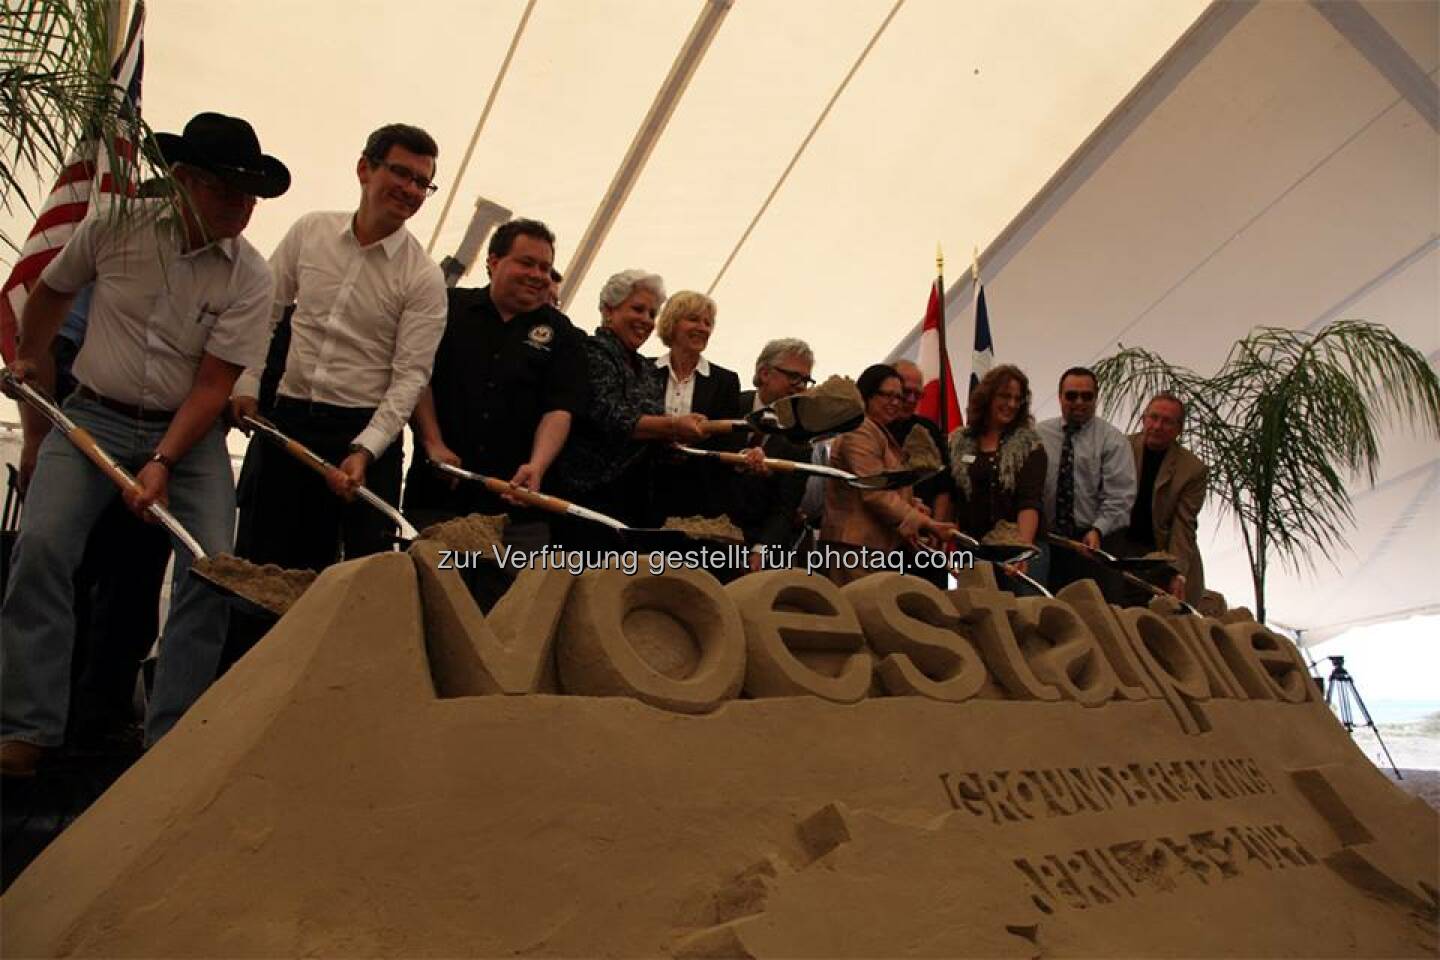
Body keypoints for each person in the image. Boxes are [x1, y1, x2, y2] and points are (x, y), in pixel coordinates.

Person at [1, 112, 287, 774]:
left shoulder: (250, 275)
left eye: (251, 195)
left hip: (185, 432)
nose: (242, 208)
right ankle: (27, 726)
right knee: (41, 548)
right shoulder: (114, 227)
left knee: (213, 565)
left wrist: (163, 461)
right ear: (183, 180)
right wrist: (32, 357)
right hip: (92, 416)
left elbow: (215, 385)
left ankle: (172, 745)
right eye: (227, 191)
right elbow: (49, 292)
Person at [230, 123, 446, 572]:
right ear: (365, 168)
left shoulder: (423, 276)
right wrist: (246, 384)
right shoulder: (310, 231)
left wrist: (366, 449)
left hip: (366, 433)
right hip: (286, 420)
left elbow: (410, 377)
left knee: (350, 583)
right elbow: (262, 312)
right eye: (401, 174)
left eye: (421, 183)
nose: (410, 189)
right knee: (260, 571)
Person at [402, 219, 587, 535]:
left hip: (518, 506)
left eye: (545, 267)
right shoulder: (448, 307)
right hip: (438, 495)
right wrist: (433, 442)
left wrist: (537, 466)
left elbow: (560, 408)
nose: (538, 275)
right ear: (493, 262)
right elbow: (416, 376)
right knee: (434, 579)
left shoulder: (563, 333)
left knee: (511, 584)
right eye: (527, 263)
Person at [551, 270, 707, 538]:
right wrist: (673, 425)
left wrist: (678, 444)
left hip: (635, 504)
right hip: (589, 500)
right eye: (637, 309)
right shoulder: (590, 352)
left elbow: (651, 439)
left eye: (651, 314)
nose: (646, 320)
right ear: (608, 310)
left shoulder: (645, 368)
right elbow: (613, 417)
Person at [820, 363, 956, 584]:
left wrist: (912, 503)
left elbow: (885, 487)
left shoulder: (876, 430)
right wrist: (926, 523)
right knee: (858, 615)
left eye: (899, 397)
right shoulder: (860, 429)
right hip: (853, 548)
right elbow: (874, 490)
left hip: (872, 548)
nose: (895, 403)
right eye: (887, 395)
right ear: (867, 395)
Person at [1036, 366, 1136, 592]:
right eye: (1071, 395)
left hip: (1094, 543)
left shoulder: (1113, 440)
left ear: (1096, 398)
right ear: (1060, 397)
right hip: (1048, 542)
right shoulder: (1039, 435)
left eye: (1087, 396)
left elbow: (1120, 498)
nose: (1079, 402)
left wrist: (1097, 530)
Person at [948, 365, 1047, 593]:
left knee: (1024, 619)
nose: (1011, 404)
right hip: (974, 550)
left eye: (1017, 398)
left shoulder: (1030, 445)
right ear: (988, 397)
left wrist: (1022, 551)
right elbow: (954, 497)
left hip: (1020, 549)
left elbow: (1029, 502)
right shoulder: (958, 441)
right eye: (1005, 396)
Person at [650, 291, 742, 524]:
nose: (703, 327)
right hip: (643, 490)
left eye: (708, 322)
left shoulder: (725, 380)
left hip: (697, 499)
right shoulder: (644, 370)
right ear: (671, 322)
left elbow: (729, 443)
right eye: (693, 319)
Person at [1110, 392, 1207, 604]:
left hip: (1160, 551)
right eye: (1153, 418)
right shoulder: (1118, 448)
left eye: (1167, 421)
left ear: (1179, 429)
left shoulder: (1192, 469)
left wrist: (1177, 573)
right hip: (1117, 545)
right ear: (1143, 419)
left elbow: (1184, 526)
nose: (1157, 426)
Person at [730, 338, 815, 571]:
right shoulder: (729, 404)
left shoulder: (801, 436)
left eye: (806, 380)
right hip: (704, 534)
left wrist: (762, 550)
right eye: (794, 376)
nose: (800, 386)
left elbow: (786, 506)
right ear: (765, 373)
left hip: (754, 548)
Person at [889, 359, 956, 588]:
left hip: (925, 542)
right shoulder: (869, 430)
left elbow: (944, 486)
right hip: (883, 540)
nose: (910, 400)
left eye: (917, 395)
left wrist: (936, 527)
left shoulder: (929, 430)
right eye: (905, 392)